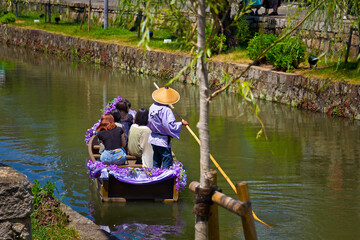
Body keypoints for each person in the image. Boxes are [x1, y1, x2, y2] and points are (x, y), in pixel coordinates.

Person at [148, 86, 188, 169]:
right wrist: (181, 123)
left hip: (153, 137)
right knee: (167, 159)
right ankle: (164, 178)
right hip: (162, 140)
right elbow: (169, 126)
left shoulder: (153, 106)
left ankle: (155, 175)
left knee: (156, 159)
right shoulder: (166, 110)